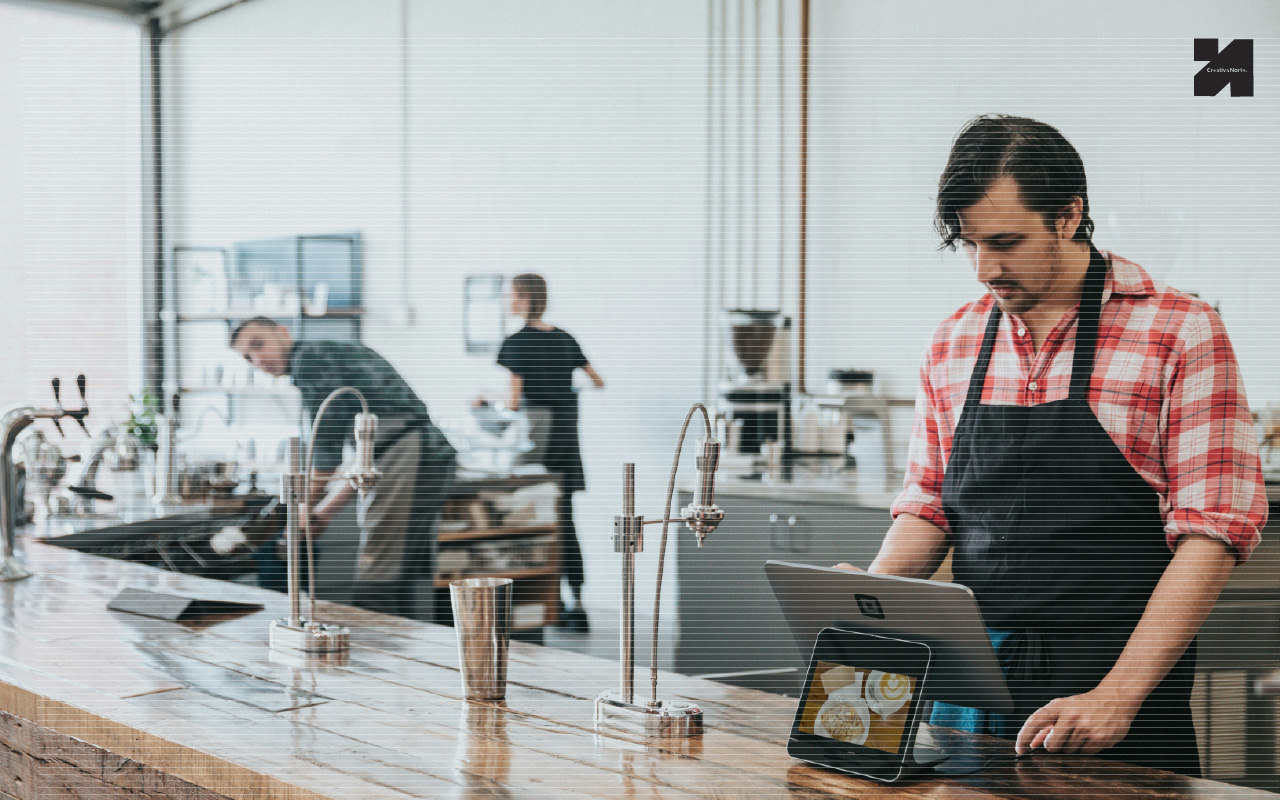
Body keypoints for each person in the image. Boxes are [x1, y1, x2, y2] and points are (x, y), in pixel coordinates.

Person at [842, 115, 1267, 775]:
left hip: (1111, 698)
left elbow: (1211, 535)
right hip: (967, 701)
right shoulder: (953, 341)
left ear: (1069, 216)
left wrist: (1116, 697)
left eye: (1006, 241)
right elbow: (929, 506)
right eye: (969, 243)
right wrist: (869, 595)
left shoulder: (1180, 332)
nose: (986, 268)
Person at [231, 317, 457, 618]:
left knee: (378, 569)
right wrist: (321, 512)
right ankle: (398, 655)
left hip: (414, 452)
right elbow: (365, 462)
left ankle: (377, 654)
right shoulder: (327, 354)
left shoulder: (311, 359)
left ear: (283, 333)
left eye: (259, 345)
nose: (258, 360)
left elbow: (326, 451)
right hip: (417, 454)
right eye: (248, 357)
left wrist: (301, 510)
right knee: (393, 568)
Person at [478, 274, 604, 633]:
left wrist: (486, 399)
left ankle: (527, 604)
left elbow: (514, 402)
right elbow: (597, 380)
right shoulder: (564, 337)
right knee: (565, 522)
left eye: (509, 294)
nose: (506, 300)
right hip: (567, 439)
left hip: (537, 443)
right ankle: (574, 604)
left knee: (526, 521)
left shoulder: (516, 342)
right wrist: (564, 389)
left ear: (523, 298)